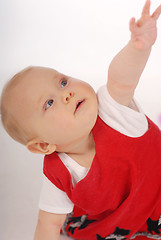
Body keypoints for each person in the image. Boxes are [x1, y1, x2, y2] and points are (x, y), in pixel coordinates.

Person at [1, 0, 161, 239]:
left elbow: (121, 78)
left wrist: (138, 47)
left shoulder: (111, 108)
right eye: (49, 103)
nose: (67, 93)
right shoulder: (60, 174)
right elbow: (48, 225)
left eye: (63, 82)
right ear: (44, 145)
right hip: (121, 224)